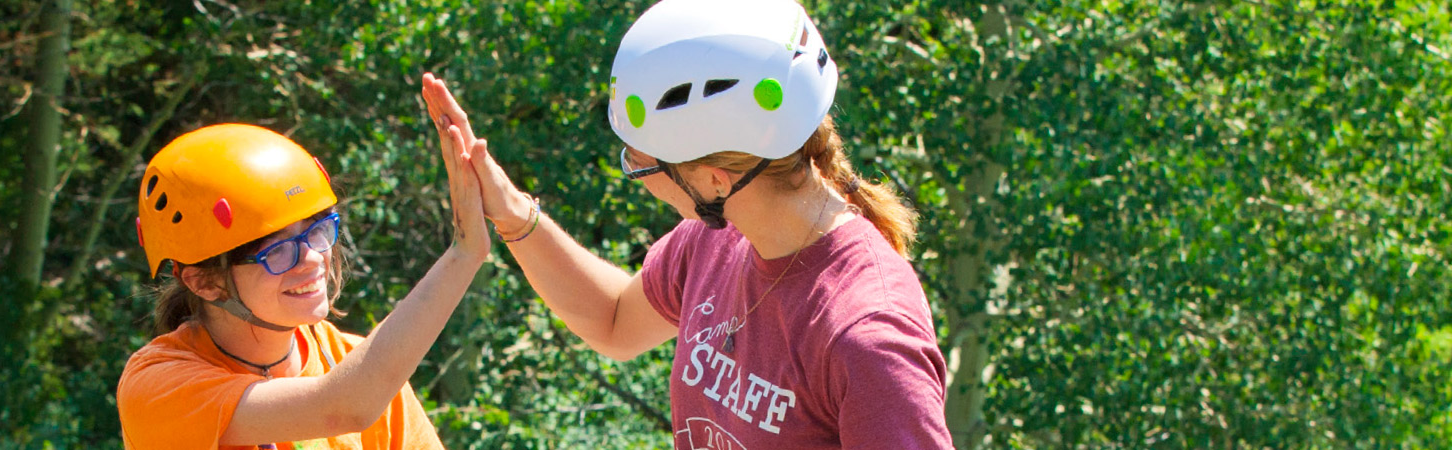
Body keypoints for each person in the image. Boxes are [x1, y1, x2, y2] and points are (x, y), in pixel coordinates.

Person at [419, 0, 951, 448]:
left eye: (641, 165)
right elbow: (613, 320)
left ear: (715, 180)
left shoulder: (869, 338)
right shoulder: (717, 241)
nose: (641, 180)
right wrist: (511, 209)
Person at [117, 122, 490, 449]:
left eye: (317, 231)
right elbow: (343, 408)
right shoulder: (158, 386)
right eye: (278, 251)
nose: (313, 258)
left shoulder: (354, 362)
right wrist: (463, 254)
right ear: (204, 282)